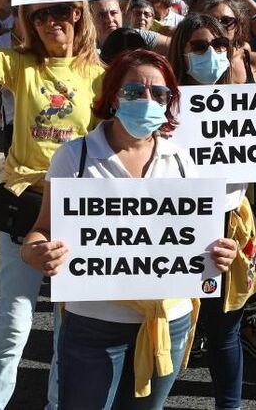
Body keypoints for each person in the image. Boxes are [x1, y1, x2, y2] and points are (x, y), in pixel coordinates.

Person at [21, 49, 238, 410]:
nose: (147, 100)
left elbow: (202, 238)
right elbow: (40, 230)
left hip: (168, 323)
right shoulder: (75, 157)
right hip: (93, 325)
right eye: (135, 91)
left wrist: (222, 253)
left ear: (171, 102)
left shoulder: (182, 161)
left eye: (160, 94)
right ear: (112, 97)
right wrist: (35, 252)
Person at [0, 0, 104, 410]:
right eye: (39, 13)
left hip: (79, 211)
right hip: (24, 205)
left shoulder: (101, 76)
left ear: (78, 14)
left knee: (69, 325)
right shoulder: (22, 66)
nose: (51, 21)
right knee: (13, 321)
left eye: (61, 10)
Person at [168, 15, 256, 410]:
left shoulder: (248, 100)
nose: (210, 54)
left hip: (229, 225)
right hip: (171, 224)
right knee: (169, 323)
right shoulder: (162, 101)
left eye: (218, 46)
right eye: (198, 46)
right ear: (181, 50)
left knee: (224, 329)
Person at [191, 0, 256, 84]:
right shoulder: (192, 62)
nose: (219, 26)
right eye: (211, 21)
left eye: (226, 21)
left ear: (238, 26)